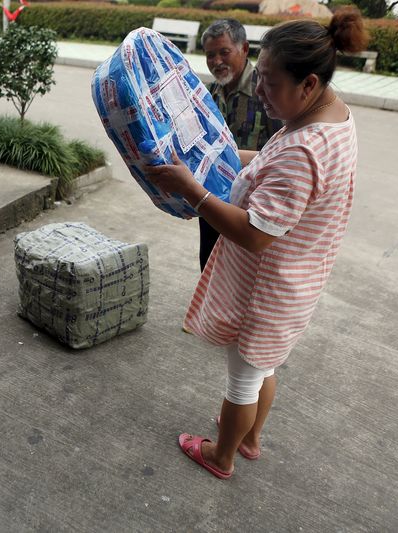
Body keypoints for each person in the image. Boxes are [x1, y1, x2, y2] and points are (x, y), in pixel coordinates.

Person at [146, 8, 369, 479]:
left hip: (270, 289)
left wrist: (192, 190)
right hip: (297, 280)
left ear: (308, 83)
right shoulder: (329, 114)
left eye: (269, 82)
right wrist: (218, 157)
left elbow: (253, 234)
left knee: (243, 378)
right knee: (264, 367)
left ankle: (220, 455)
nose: (260, 90)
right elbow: (269, 158)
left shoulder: (305, 150)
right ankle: (249, 438)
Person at [199, 19, 282, 271]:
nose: (216, 61)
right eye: (210, 55)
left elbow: (281, 151)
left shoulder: (268, 89)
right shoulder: (208, 92)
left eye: (224, 52)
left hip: (252, 209)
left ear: (244, 49)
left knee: (241, 272)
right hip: (214, 200)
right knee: (209, 263)